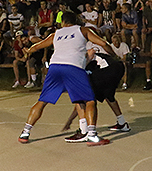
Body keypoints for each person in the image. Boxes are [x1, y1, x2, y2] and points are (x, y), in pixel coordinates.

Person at [18, 12, 113, 146]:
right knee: (90, 100)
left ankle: (25, 132)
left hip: (55, 67)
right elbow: (103, 43)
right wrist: (113, 55)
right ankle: (91, 135)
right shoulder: (83, 30)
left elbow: (37, 46)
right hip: (73, 67)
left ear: (63, 22)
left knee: (42, 101)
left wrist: (28, 51)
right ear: (75, 21)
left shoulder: (56, 34)